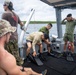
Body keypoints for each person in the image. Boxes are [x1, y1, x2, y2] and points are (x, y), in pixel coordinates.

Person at [1, 1, 24, 65]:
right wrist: (23, 27)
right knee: (16, 54)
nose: (3, 6)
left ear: (6, 6)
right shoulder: (16, 15)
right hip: (15, 37)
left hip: (9, 38)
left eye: (4, 5)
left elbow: (3, 26)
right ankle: (20, 66)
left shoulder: (5, 14)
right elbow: (22, 23)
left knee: (9, 56)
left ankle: (14, 69)